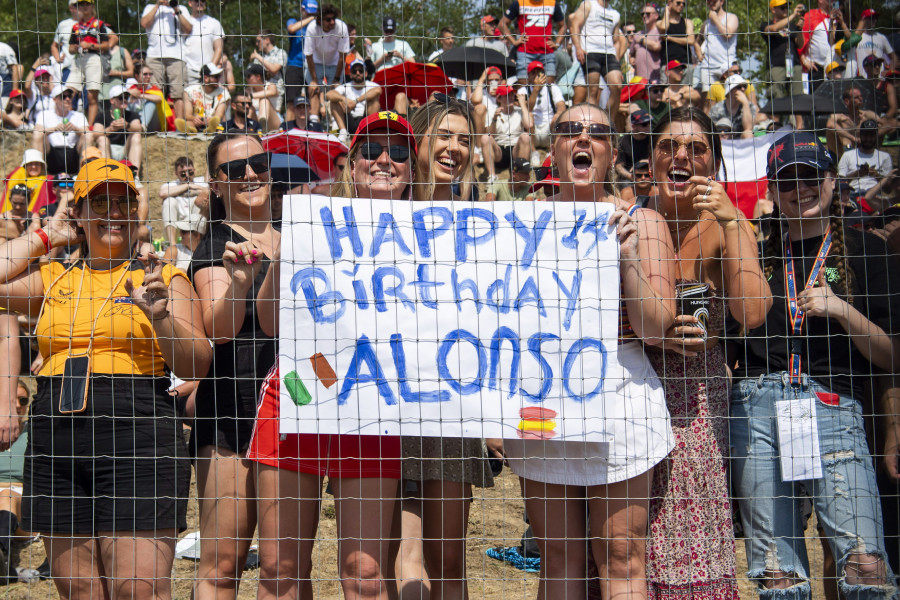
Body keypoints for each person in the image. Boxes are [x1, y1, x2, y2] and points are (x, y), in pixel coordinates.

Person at [0, 157, 210, 600]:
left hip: (140, 432)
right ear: (77, 212)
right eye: (99, 203)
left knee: (139, 588)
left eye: (123, 202)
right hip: (57, 433)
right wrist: (46, 236)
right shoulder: (54, 276)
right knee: (79, 589)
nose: (113, 213)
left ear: (137, 212)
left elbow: (197, 364)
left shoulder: (160, 276)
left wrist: (161, 317)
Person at [502, 103, 676, 599]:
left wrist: (629, 258)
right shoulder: (521, 223)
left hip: (621, 399)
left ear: (612, 152)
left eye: (597, 132)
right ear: (553, 149)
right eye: (569, 131)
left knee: (622, 557)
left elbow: (655, 328)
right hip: (542, 401)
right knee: (558, 557)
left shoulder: (642, 222)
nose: (583, 138)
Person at [248, 112, 413, 600]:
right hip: (300, 391)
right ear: (350, 163)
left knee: (363, 574)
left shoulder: (437, 229)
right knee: (279, 569)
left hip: (372, 408)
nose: (384, 160)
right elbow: (271, 324)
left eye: (398, 151)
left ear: (411, 167)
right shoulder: (311, 218)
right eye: (371, 150)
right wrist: (287, 247)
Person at [732, 130, 900, 600]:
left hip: (835, 411)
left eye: (811, 177)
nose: (800, 188)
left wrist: (842, 309)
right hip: (759, 412)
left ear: (832, 180)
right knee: (777, 576)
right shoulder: (755, 252)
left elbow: (892, 355)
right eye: (788, 180)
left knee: (866, 567)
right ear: (771, 190)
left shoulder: (867, 252)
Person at [641, 105, 771, 598]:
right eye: (668, 146)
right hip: (637, 385)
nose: (681, 157)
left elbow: (753, 311)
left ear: (712, 166)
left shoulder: (723, 226)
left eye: (696, 149)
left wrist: (734, 220)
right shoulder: (633, 216)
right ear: (652, 161)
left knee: (688, 533)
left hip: (697, 399)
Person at [189, 132, 278, 600]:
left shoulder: (300, 234)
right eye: (234, 170)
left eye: (259, 164)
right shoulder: (212, 246)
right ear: (216, 184)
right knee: (223, 565)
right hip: (232, 410)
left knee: (284, 567)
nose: (250, 175)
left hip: (294, 410)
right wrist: (240, 285)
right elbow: (218, 329)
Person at [569, 0, 623, 119]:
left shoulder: (615, 14)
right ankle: (592, 124)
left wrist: (616, 59)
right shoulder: (588, 4)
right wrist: (578, 47)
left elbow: (617, 40)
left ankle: (609, 124)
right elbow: (574, 25)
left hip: (609, 53)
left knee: (617, 86)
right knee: (593, 90)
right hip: (590, 51)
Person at [140, 0, 193, 120]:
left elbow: (188, 29)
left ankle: (179, 125)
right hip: (154, 55)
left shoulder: (182, 8)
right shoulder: (150, 7)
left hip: (177, 56)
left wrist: (175, 8)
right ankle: (157, 124)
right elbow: (144, 23)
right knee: (155, 91)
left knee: (178, 92)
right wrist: (158, 5)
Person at [68, 0, 118, 126]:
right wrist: (73, 48)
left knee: (92, 96)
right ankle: (67, 123)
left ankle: (90, 128)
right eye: (81, 5)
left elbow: (107, 45)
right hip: (79, 59)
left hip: (94, 58)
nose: (84, 7)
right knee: (68, 93)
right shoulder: (75, 26)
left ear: (92, 6)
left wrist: (91, 45)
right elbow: (70, 48)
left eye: (87, 4)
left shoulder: (99, 24)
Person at [304, 3, 349, 124]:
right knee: (314, 89)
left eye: (334, 18)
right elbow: (308, 55)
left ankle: (337, 124)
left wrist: (336, 79)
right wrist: (314, 80)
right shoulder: (312, 28)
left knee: (336, 91)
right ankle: (314, 121)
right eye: (328, 19)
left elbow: (342, 56)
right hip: (316, 62)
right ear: (320, 20)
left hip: (335, 64)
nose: (332, 22)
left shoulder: (341, 27)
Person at [501, 0, 565, 83]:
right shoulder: (519, 3)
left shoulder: (552, 3)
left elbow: (563, 26)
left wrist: (557, 43)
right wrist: (514, 41)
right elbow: (502, 24)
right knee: (523, 86)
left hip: (547, 52)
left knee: (549, 86)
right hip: (525, 52)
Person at [31, 86, 88, 176]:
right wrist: (54, 129)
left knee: (87, 136)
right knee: (38, 135)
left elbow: (88, 134)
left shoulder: (79, 115)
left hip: (73, 154)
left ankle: (85, 176)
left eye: (69, 96)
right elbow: (37, 131)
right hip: (52, 154)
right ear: (54, 99)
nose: (67, 99)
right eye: (63, 97)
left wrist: (75, 128)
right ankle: (39, 177)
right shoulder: (44, 114)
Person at [480, 85, 531, 182]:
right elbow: (490, 135)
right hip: (499, 151)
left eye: (512, 95)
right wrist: (494, 119)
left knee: (525, 136)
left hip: (516, 150)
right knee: (485, 137)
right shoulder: (491, 112)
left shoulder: (519, 111)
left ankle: (521, 175)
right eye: (507, 95)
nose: (511, 98)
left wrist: (523, 105)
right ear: (499, 98)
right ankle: (492, 176)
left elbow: (529, 125)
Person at [159, 156, 207, 251]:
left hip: (195, 223)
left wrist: (195, 188)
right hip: (176, 224)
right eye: (183, 174)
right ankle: (172, 247)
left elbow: (210, 191)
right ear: (176, 174)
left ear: (194, 170)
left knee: (200, 199)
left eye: (190, 172)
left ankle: (197, 244)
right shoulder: (171, 185)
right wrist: (188, 185)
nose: (187, 176)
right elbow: (162, 193)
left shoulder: (201, 182)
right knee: (169, 202)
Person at [519, 60, 566, 157]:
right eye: (533, 73)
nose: (537, 75)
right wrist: (536, 89)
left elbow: (562, 106)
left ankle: (552, 150)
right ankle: (533, 152)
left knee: (558, 117)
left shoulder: (552, 88)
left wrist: (558, 114)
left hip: (549, 128)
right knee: (529, 116)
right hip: (532, 130)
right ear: (528, 75)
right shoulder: (523, 90)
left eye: (539, 72)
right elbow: (528, 109)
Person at [327, 59, 381, 142]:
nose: (358, 73)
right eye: (354, 71)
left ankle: (371, 132)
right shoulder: (345, 86)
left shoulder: (372, 85)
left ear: (366, 73)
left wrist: (355, 101)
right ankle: (343, 132)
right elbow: (329, 94)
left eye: (360, 70)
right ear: (350, 75)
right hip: (348, 119)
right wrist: (344, 99)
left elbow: (378, 90)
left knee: (374, 102)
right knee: (334, 101)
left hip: (365, 119)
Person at [762, 0, 805, 103]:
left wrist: (799, 29)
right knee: (776, 101)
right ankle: (776, 120)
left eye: (787, 7)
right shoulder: (766, 24)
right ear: (773, 9)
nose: (786, 9)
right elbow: (773, 29)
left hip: (793, 65)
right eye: (782, 7)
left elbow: (800, 44)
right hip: (776, 66)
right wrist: (793, 15)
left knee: (798, 101)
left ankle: (796, 120)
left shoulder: (792, 26)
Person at [92, 84, 144, 166]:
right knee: (102, 139)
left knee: (136, 135)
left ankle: (134, 176)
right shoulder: (102, 115)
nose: (124, 100)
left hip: (126, 149)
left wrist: (127, 125)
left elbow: (139, 129)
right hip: (107, 149)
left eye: (126, 97)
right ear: (112, 100)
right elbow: (95, 134)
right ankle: (106, 175)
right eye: (121, 98)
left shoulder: (132, 115)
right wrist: (111, 129)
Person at [838, 119, 893, 196]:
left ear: (876, 136)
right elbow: (839, 183)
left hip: (875, 196)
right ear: (860, 135)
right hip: (853, 194)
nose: (868, 139)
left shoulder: (885, 157)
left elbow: (888, 189)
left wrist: (876, 175)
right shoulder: (847, 155)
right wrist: (856, 174)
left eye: (871, 136)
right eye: (866, 135)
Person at [284, 0, 317, 122]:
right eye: (308, 13)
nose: (311, 16)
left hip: (312, 66)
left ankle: (313, 130)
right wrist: (310, 19)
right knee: (292, 102)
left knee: (313, 98)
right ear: (302, 10)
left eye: (313, 14)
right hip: (295, 65)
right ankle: (289, 133)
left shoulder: (317, 27)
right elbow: (291, 29)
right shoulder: (293, 21)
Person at [695, 0, 738, 92]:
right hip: (708, 68)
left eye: (714, 1)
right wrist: (699, 54)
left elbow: (727, 34)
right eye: (709, 1)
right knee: (709, 100)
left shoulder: (732, 17)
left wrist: (715, 19)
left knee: (732, 96)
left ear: (722, 2)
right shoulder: (706, 24)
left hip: (727, 65)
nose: (711, 3)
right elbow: (697, 42)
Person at [178, 62, 230, 134]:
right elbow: (187, 115)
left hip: (212, 122)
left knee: (217, 126)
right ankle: (190, 130)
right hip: (195, 122)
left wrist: (210, 120)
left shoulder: (224, 93)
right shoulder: (189, 91)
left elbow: (219, 116)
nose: (218, 79)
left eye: (219, 76)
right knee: (189, 123)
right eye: (216, 77)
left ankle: (208, 131)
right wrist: (195, 119)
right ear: (206, 78)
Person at [182, 0, 224, 86]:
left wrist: (210, 69)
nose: (200, 2)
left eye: (203, 1)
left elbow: (219, 48)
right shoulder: (183, 23)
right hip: (187, 71)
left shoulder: (214, 23)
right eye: (196, 1)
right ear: (190, 3)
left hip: (208, 73)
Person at [1, 149, 54, 214]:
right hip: (12, 214)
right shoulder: (18, 176)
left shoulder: (47, 180)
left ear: (42, 166)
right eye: (30, 164)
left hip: (34, 216)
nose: (34, 167)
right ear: (25, 166)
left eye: (37, 164)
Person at [657, 0, 696, 84]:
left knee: (686, 94)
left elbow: (691, 40)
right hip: (668, 65)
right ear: (670, 3)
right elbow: (663, 28)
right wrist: (667, 11)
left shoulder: (687, 22)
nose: (681, 5)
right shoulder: (660, 23)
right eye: (678, 3)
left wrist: (669, 38)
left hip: (685, 64)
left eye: (683, 4)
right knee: (666, 94)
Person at [853, 9, 898, 77]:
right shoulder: (857, 37)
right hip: (862, 79)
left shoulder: (882, 37)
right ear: (863, 20)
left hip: (879, 79)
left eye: (876, 18)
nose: (874, 20)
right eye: (871, 18)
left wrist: (889, 72)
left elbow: (894, 57)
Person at [251, 29, 288, 112]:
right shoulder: (259, 56)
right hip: (260, 93)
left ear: (267, 40)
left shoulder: (280, 53)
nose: (257, 44)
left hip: (276, 95)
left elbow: (274, 69)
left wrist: (258, 57)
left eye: (258, 41)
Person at [709, 73, 755, 139]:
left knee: (748, 134)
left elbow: (748, 128)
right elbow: (712, 131)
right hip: (722, 141)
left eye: (744, 86)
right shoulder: (716, 109)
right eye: (739, 87)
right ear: (730, 90)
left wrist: (745, 103)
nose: (743, 89)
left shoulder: (750, 106)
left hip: (741, 143)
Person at [127, 64, 171, 132]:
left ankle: (143, 127)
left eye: (150, 74)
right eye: (145, 74)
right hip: (135, 120)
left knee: (151, 102)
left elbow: (159, 99)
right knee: (125, 100)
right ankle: (130, 126)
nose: (148, 76)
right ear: (137, 76)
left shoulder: (154, 89)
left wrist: (140, 95)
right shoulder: (131, 89)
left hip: (152, 124)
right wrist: (130, 95)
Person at [616, 108, 651, 183]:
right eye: (644, 124)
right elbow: (618, 166)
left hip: (650, 175)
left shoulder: (653, 139)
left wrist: (648, 162)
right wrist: (631, 176)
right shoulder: (623, 141)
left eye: (649, 123)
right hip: (630, 177)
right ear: (634, 126)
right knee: (624, 183)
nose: (648, 126)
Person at [245, 63, 282, 133]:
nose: (246, 79)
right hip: (255, 119)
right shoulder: (248, 90)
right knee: (250, 108)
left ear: (258, 77)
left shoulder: (271, 85)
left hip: (273, 121)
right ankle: (247, 129)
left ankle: (262, 125)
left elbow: (272, 92)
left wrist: (251, 96)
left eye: (249, 76)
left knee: (264, 99)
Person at [632, 2, 662, 80]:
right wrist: (631, 60)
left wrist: (642, 40)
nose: (644, 16)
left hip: (655, 79)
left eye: (648, 14)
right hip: (638, 79)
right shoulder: (637, 34)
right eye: (643, 14)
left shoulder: (660, 33)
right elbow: (631, 54)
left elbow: (657, 47)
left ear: (656, 16)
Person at [50, 0, 79, 82]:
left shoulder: (93, 23)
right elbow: (54, 45)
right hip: (68, 68)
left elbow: (112, 37)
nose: (80, 7)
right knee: (68, 94)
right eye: (76, 5)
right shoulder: (63, 24)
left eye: (83, 4)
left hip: (88, 67)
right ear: (70, 7)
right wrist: (57, 58)